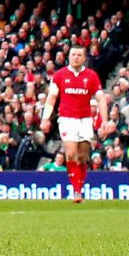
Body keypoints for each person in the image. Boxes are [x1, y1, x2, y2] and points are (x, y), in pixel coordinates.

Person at [40, 44, 108, 203]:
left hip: (85, 120)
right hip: (66, 118)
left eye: (79, 55)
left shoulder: (91, 76)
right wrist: (45, 118)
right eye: (73, 54)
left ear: (84, 58)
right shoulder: (60, 75)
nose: (75, 57)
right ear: (68, 57)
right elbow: (51, 98)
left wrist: (104, 121)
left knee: (83, 156)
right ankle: (76, 191)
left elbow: (101, 99)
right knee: (70, 153)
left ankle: (80, 187)